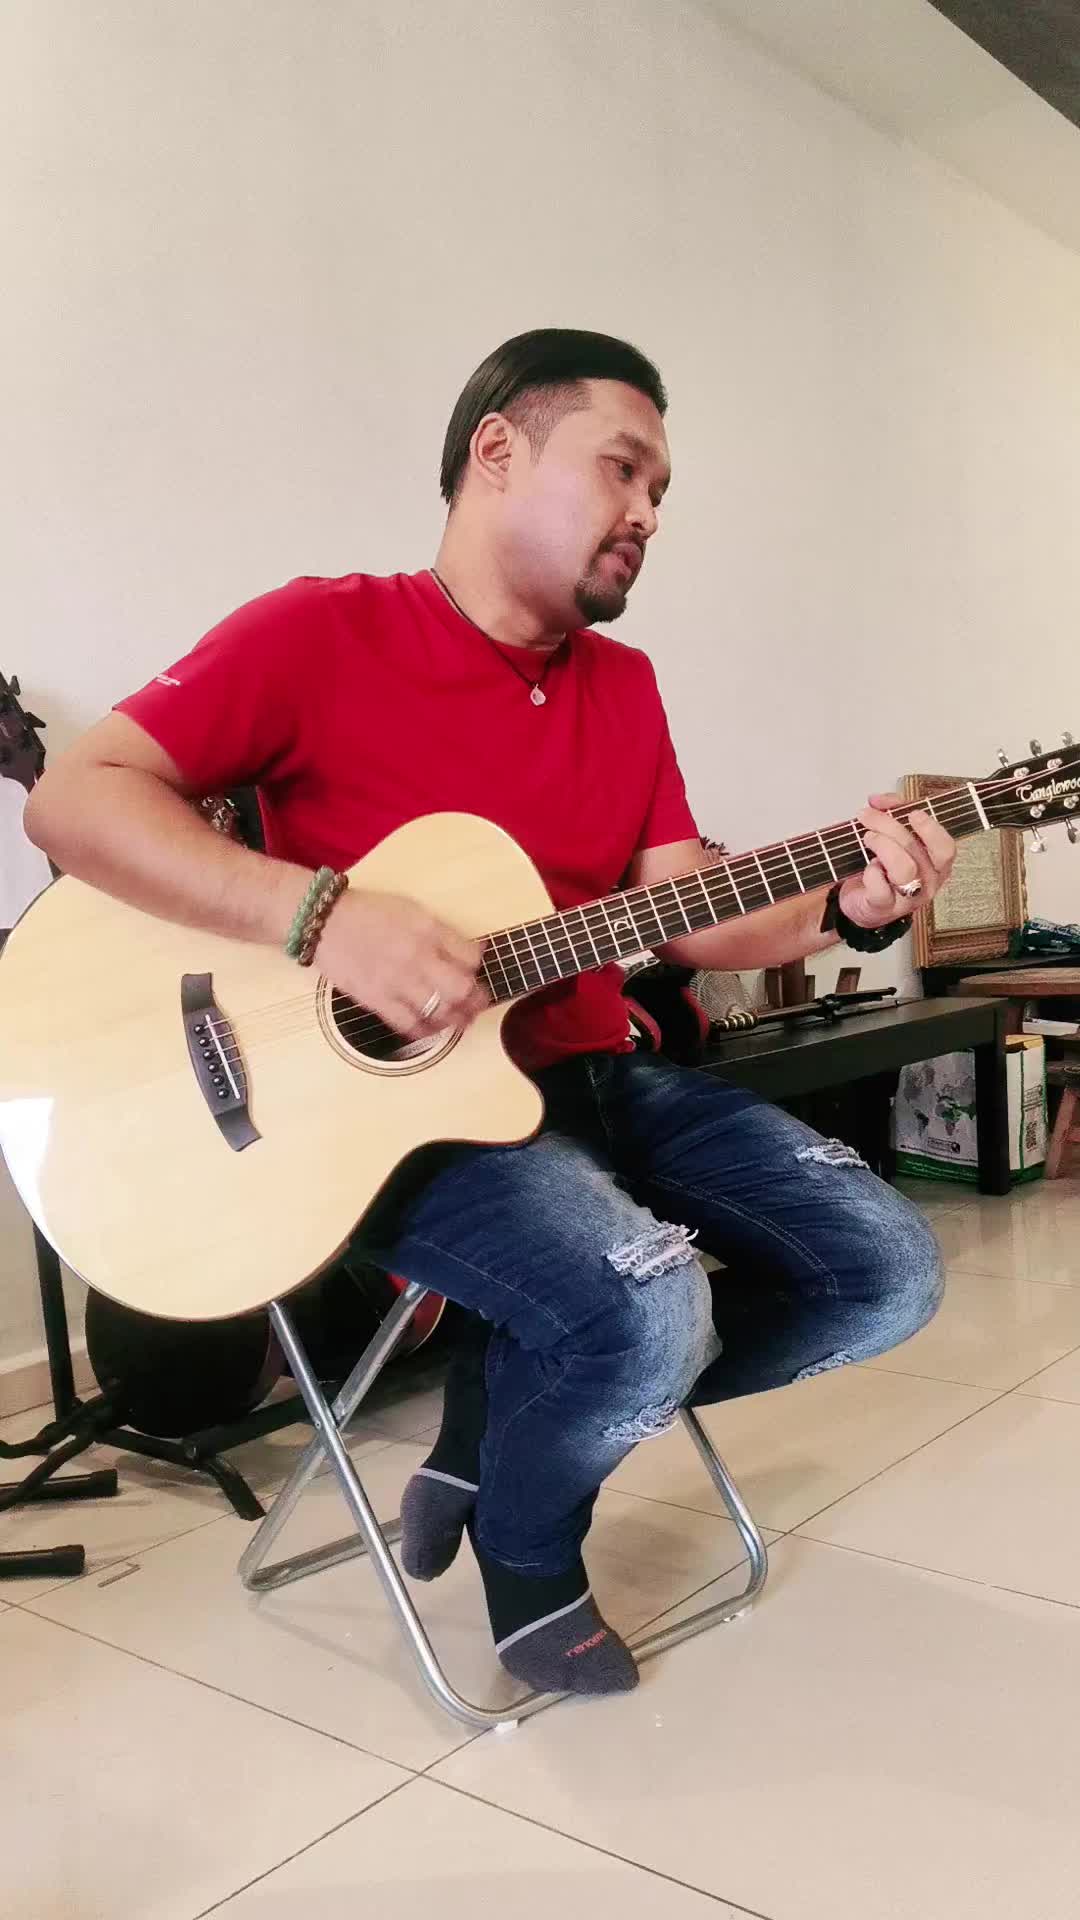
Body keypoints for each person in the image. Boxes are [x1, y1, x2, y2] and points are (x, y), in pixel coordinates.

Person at [26, 328, 951, 1698]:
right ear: (498, 450)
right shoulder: (320, 631)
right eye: (623, 469)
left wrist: (855, 905)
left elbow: (685, 909)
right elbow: (75, 799)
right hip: (387, 1124)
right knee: (646, 1315)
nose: (648, 513)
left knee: (886, 1274)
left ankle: (498, 1426)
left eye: (662, 492)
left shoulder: (624, 685)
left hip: (587, 1078)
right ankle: (529, 1545)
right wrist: (324, 917)